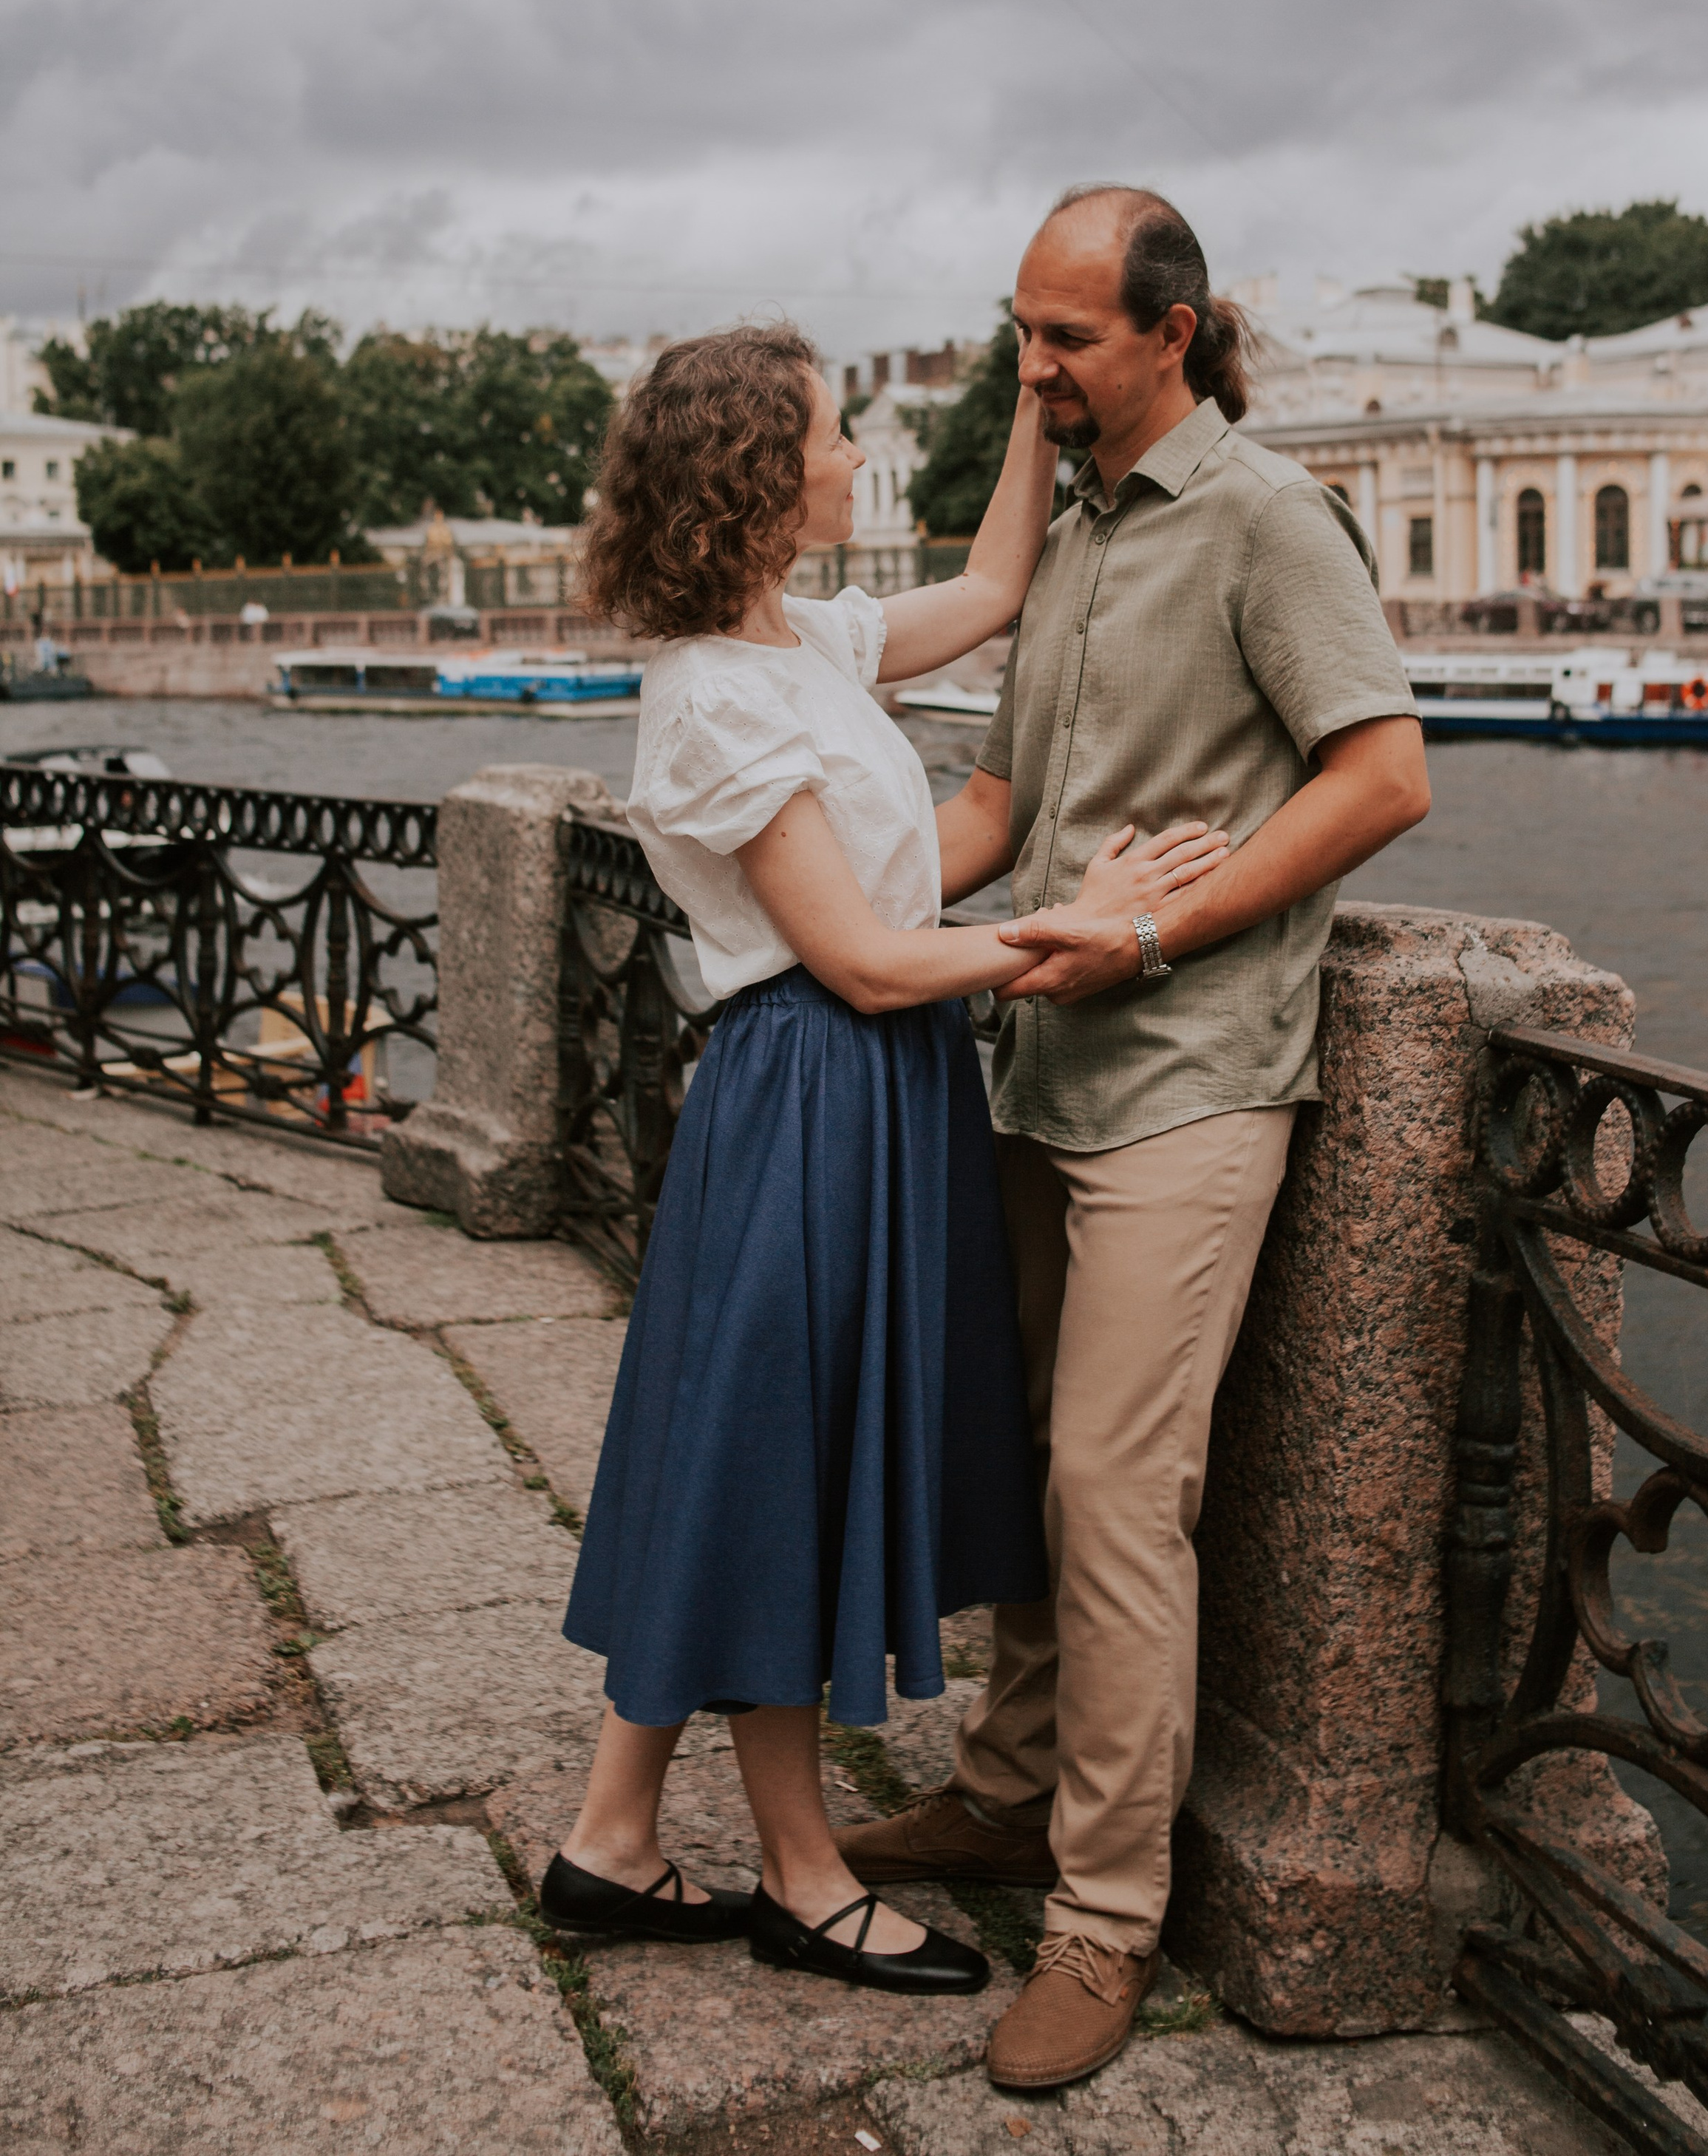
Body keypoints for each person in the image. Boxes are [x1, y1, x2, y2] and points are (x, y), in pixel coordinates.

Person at [546, 323, 1232, 2000]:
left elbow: (995, 585)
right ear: (760, 477)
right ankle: (801, 1876)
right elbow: (856, 958)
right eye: (836, 433)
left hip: (859, 1089)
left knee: (742, 1449)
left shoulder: (799, 643)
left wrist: (1030, 398)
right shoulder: (714, 697)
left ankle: (608, 1842)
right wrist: (1084, 930)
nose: (858, 456)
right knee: (781, 1463)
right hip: (815, 1084)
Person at [838, 186, 1431, 2090]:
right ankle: (1007, 1796)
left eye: (1066, 339)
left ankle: (1104, 1917)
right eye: (1020, 332)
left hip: (1187, 1072)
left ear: (1171, 331)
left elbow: (1385, 775)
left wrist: (1161, 928)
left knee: (1109, 1485)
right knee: (1016, 1447)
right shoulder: (1078, 530)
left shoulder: (1267, 519)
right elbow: (1004, 799)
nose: (1031, 370)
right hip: (1031, 1064)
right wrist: (815, 902)